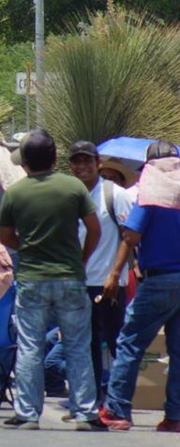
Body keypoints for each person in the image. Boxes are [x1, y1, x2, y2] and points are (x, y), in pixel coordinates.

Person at [0, 130, 104, 430]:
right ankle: (85, 412)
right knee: (78, 346)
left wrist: (29, 246)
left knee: (30, 346)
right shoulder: (73, 188)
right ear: (56, 158)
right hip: (70, 277)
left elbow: (5, 236)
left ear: (25, 162)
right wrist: (80, 259)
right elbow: (94, 229)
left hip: (32, 278)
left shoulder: (15, 193)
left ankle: (28, 413)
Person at [100, 141, 180, 431]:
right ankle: (175, 416)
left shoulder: (150, 198)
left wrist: (114, 273)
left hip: (158, 279)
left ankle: (117, 410)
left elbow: (131, 237)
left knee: (130, 343)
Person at [67, 140, 133, 400]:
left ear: (98, 163)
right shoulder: (70, 194)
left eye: (87, 160)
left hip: (108, 282)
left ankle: (121, 401)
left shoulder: (116, 195)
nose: (82, 166)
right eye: (77, 161)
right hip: (78, 282)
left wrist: (115, 274)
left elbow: (129, 238)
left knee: (117, 342)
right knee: (86, 344)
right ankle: (90, 402)